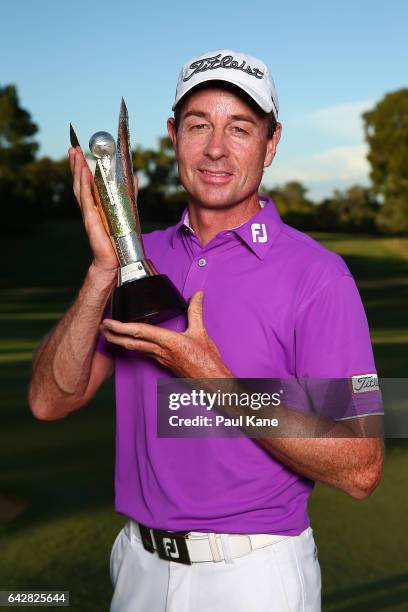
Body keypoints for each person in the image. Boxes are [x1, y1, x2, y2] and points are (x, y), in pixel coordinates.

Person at [28, 49, 384, 612]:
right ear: (172, 136)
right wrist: (103, 270)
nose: (216, 148)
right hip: (136, 569)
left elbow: (362, 465)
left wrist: (210, 376)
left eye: (239, 128)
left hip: (254, 575)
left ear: (271, 144)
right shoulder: (138, 260)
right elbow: (50, 400)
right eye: (198, 125)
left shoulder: (318, 276)